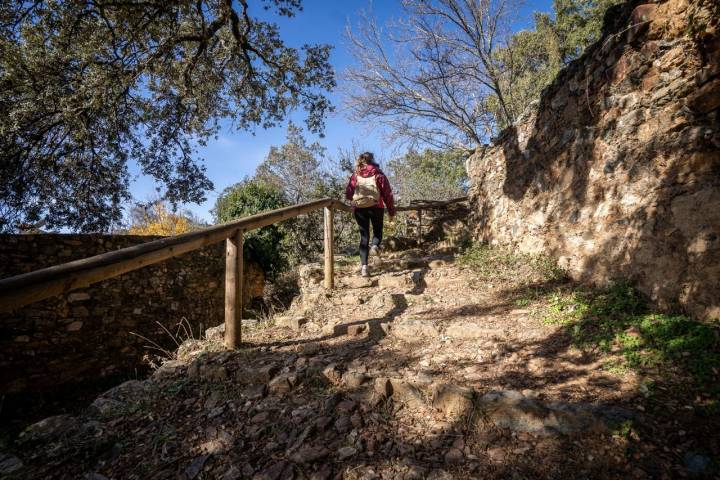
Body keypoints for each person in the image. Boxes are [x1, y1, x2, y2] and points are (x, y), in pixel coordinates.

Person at [345, 152, 396, 277]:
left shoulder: (355, 174)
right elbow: (387, 194)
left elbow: (348, 193)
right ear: (372, 160)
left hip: (360, 208)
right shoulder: (378, 173)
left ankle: (364, 268)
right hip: (376, 207)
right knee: (377, 231)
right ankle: (375, 246)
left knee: (364, 237)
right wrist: (391, 211)